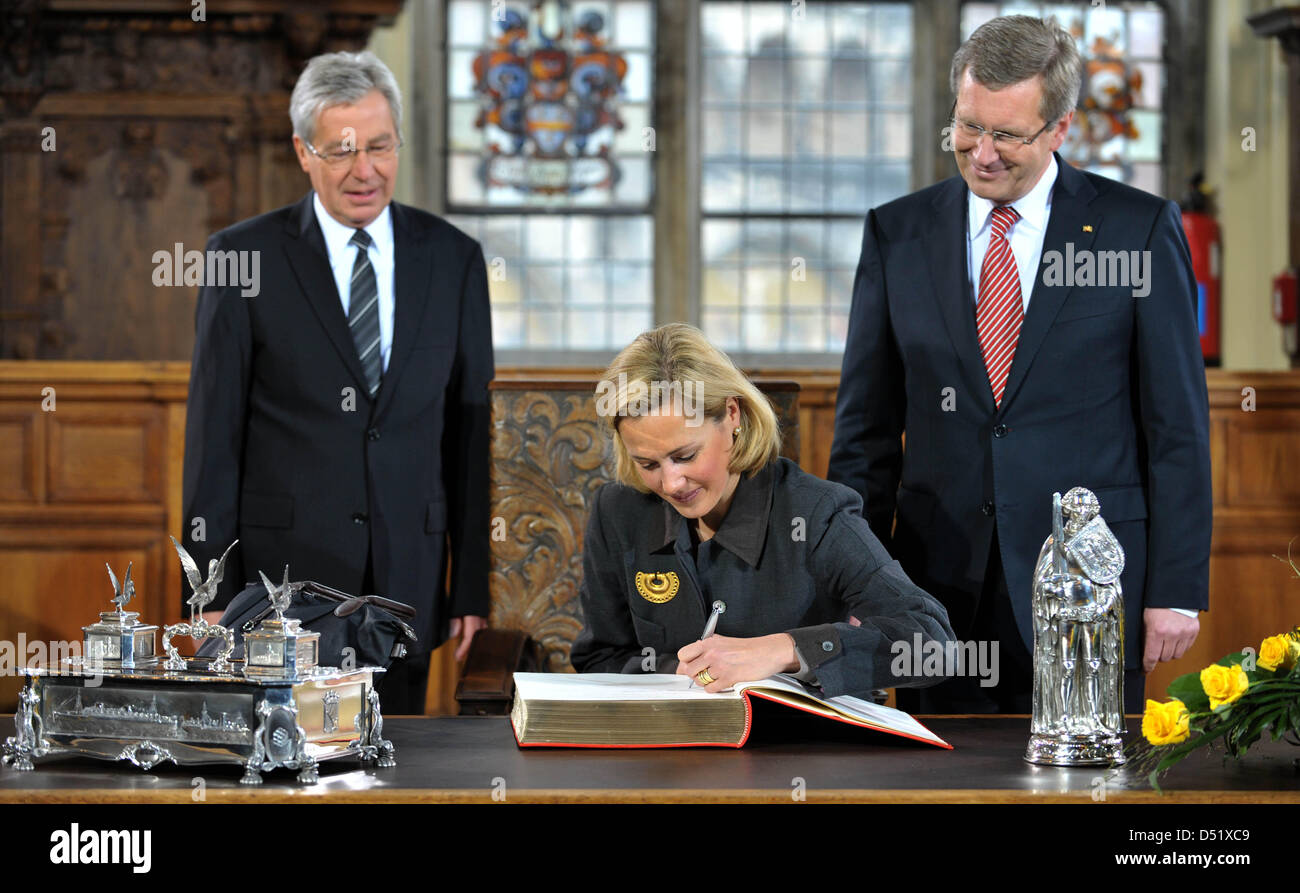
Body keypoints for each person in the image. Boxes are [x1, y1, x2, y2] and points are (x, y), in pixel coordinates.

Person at [827, 16, 1210, 715]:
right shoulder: (897, 233)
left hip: (1090, 584)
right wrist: (848, 581)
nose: (982, 153)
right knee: (939, 785)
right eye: (968, 127)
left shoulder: (1138, 229)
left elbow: (1177, 425)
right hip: (933, 592)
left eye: (1007, 135)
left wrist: (1175, 590)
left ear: (1060, 128)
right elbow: (865, 437)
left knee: (1088, 780)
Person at [181, 51, 493, 713]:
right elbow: (213, 436)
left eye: (380, 146)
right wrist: (209, 596)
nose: (365, 170)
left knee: (399, 768)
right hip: (278, 589)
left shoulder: (455, 258)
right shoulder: (242, 257)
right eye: (342, 150)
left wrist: (469, 590)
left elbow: (470, 435)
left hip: (406, 581)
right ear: (303, 150)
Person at [569, 324, 954, 698]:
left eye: (685, 456)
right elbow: (600, 656)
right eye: (648, 464)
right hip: (672, 757)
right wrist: (678, 670)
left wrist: (786, 650)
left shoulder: (816, 513)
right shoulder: (618, 511)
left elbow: (933, 645)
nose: (670, 484)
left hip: (802, 753)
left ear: (732, 415)